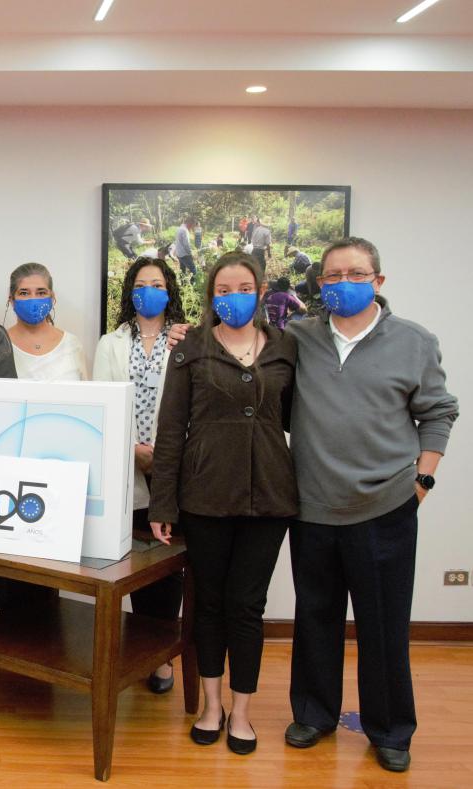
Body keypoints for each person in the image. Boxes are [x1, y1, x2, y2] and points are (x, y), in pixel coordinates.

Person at [283, 237, 458, 773]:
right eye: (331, 276)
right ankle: (315, 713)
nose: (340, 284)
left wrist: (422, 480)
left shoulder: (413, 341)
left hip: (385, 506)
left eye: (354, 274)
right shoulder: (298, 338)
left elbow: (438, 413)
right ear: (319, 284)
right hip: (311, 505)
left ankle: (390, 729)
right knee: (315, 616)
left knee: (383, 625)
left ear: (378, 280)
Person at [150, 251, 297, 756]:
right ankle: (210, 706)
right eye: (223, 288)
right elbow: (169, 430)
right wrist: (162, 505)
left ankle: (242, 711)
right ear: (212, 296)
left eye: (243, 287)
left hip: (270, 498)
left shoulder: (285, 347)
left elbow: (301, 419)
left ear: (260, 293)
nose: (233, 296)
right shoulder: (189, 347)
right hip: (205, 496)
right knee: (208, 604)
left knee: (247, 607)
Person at [93, 256, 187, 693]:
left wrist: (162, 456)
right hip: (125, 465)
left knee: (168, 565)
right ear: (130, 290)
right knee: (133, 562)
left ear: (170, 290)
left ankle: (164, 659)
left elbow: (193, 405)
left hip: (175, 467)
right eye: (141, 283)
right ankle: (138, 647)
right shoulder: (111, 342)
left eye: (158, 283)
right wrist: (133, 451)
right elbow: (102, 402)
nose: (149, 290)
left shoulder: (186, 338)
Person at [6, 262, 87, 381]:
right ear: (12, 300)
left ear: (52, 297)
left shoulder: (72, 344)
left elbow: (84, 395)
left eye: (41, 292)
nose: (33, 299)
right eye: (24, 293)